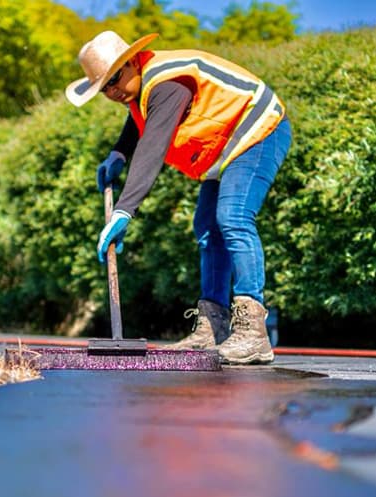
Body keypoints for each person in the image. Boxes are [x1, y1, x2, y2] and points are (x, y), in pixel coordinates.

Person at [65, 31, 291, 365]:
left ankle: (253, 334)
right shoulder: (143, 87)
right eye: (104, 88)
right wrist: (118, 154)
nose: (112, 91)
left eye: (114, 79)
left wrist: (124, 211)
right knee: (207, 227)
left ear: (132, 61)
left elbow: (153, 145)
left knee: (233, 216)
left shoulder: (168, 82)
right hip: (227, 147)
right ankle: (213, 328)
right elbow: (138, 120)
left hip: (259, 129)